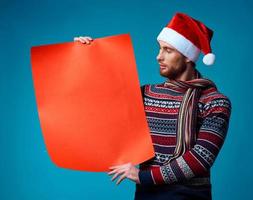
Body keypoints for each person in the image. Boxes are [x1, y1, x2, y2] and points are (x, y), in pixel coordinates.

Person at [74, 12, 231, 200]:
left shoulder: (214, 101)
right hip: (147, 195)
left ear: (188, 56)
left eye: (168, 50)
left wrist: (143, 176)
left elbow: (201, 157)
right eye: (159, 49)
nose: (159, 56)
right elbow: (100, 107)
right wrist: (87, 56)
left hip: (190, 195)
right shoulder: (146, 94)